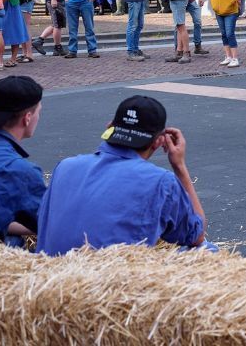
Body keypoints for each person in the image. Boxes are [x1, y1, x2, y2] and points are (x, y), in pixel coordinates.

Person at [37, 96, 209, 255]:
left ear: (109, 127)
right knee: (208, 249)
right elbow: (197, 235)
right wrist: (179, 166)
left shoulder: (65, 166)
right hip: (110, 282)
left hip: (51, 275)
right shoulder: (161, 182)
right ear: (159, 141)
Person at [0, 76, 45, 247]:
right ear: (27, 118)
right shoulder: (16, 170)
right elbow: (54, 224)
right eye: (39, 112)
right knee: (15, 244)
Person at [211, 0, 242, 68]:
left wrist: (230, 3)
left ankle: (235, 58)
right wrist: (213, 3)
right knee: (224, 34)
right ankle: (228, 57)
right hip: (218, 12)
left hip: (230, 12)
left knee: (230, 34)